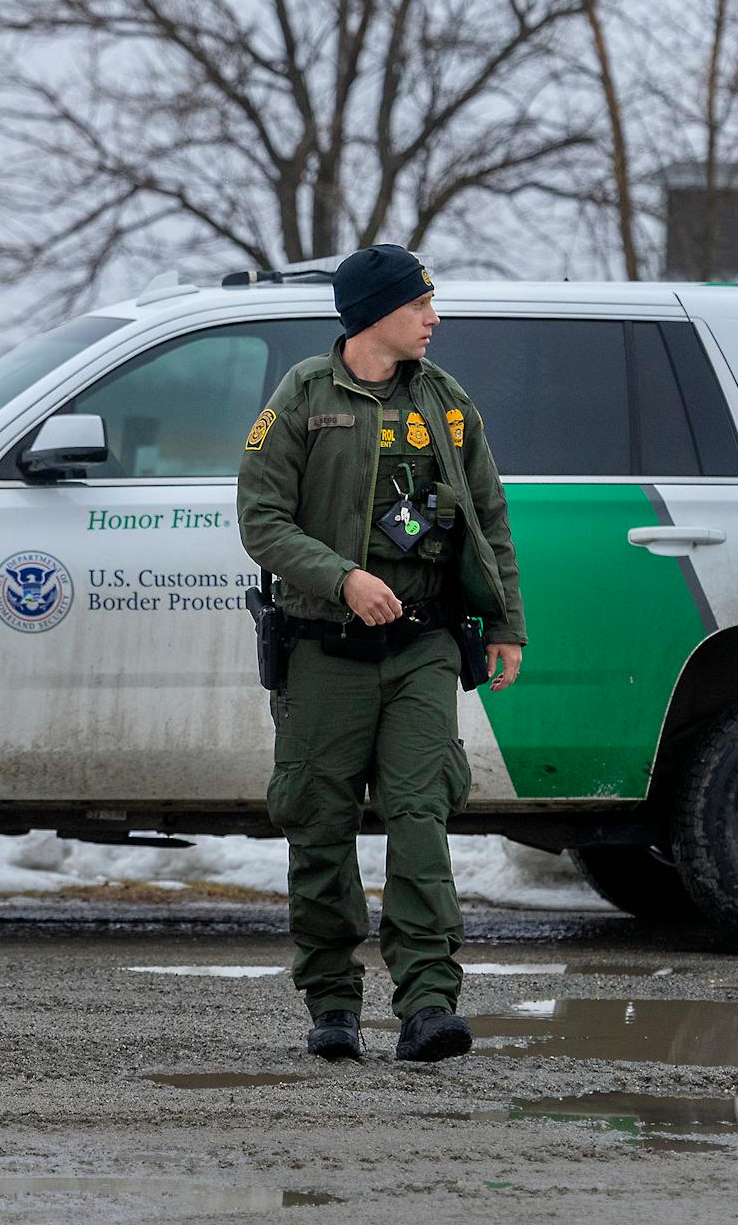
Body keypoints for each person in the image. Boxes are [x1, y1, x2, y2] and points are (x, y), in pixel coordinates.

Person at [236, 242, 525, 1063]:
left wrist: (504, 622)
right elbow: (262, 519)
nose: (434, 318)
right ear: (375, 313)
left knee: (421, 814)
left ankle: (429, 1003)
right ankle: (331, 1001)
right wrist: (342, 578)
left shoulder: (446, 402)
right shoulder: (301, 397)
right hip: (324, 649)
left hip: (425, 646)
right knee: (319, 823)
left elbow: (488, 518)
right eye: (419, 305)